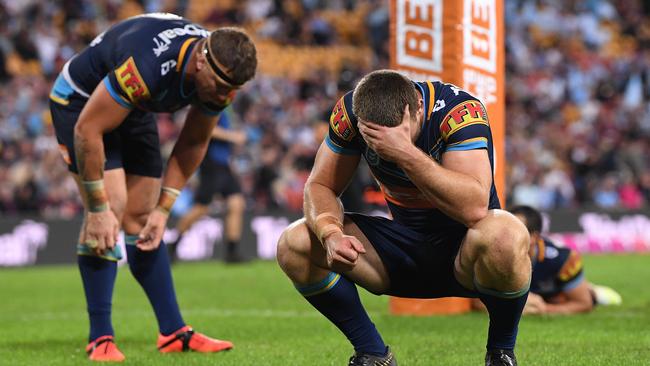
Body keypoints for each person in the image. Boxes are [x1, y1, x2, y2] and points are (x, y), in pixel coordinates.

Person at [276, 70, 531, 366]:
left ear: (417, 110)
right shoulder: (349, 114)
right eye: (374, 139)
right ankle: (372, 354)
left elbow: (473, 209)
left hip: (468, 252)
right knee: (294, 243)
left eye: (394, 135)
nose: (382, 148)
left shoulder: (461, 112)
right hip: (402, 249)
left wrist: (404, 152)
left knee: (506, 233)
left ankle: (501, 352)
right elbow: (320, 186)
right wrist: (330, 233)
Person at [48, 13, 257, 362]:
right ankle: (100, 338)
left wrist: (163, 210)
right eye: (221, 86)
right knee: (112, 208)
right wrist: (97, 208)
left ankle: (173, 332)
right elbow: (88, 130)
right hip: (82, 104)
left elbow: (192, 142)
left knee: (142, 217)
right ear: (202, 60)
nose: (225, 96)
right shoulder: (145, 64)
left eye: (232, 90)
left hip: (133, 104)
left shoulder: (222, 74)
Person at [507, 205, 622, 315]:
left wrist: (545, 309)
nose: (507, 236)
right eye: (506, 229)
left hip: (554, 293)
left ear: (534, 237)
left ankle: (593, 291)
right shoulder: (493, 254)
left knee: (560, 299)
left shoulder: (561, 260)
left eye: (516, 231)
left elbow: (584, 304)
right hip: (526, 291)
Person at [170, 108, 248, 263]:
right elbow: (206, 129)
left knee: (237, 204)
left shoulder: (226, 107)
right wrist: (233, 137)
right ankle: (172, 246)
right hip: (211, 164)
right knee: (201, 208)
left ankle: (232, 252)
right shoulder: (213, 103)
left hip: (223, 165)